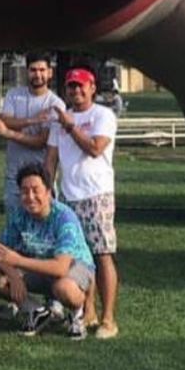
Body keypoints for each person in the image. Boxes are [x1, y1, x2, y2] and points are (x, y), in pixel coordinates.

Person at [46, 65, 120, 339]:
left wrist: (71, 126)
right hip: (68, 196)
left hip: (96, 196)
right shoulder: (61, 120)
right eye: (71, 86)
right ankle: (87, 310)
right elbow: (51, 157)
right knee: (77, 258)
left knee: (102, 255)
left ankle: (108, 318)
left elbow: (94, 148)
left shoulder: (102, 115)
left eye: (81, 85)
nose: (76, 91)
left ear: (92, 88)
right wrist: (47, 187)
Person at [0, 162, 95, 339]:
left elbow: (61, 268)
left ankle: (77, 314)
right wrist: (12, 275)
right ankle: (37, 311)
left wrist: (17, 261)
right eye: (24, 191)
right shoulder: (19, 215)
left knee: (63, 287)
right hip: (38, 267)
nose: (30, 196)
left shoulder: (64, 217)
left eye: (36, 190)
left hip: (73, 268)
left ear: (49, 192)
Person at [0, 53, 65, 214]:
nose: (38, 74)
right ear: (27, 71)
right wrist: (32, 120)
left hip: (41, 178)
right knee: (14, 230)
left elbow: (41, 141)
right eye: (33, 70)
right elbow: (6, 120)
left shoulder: (55, 103)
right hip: (14, 176)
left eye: (42, 70)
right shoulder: (14, 95)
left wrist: (8, 133)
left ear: (50, 72)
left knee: (43, 232)